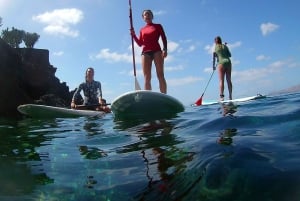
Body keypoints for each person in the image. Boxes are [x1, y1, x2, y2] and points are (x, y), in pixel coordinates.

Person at [130, 9, 168, 94]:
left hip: (157, 51)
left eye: (148, 14)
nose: (147, 16)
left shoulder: (158, 26)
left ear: (152, 16)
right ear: (143, 18)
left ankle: (164, 97)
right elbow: (140, 43)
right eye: (145, 15)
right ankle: (149, 98)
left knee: (160, 75)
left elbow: (164, 38)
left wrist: (165, 49)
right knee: (147, 77)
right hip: (145, 52)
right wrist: (133, 35)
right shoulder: (142, 29)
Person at [214, 36, 233, 101]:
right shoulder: (225, 46)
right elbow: (230, 55)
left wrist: (213, 66)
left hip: (221, 63)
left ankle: (221, 97)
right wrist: (225, 46)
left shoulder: (216, 47)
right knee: (228, 80)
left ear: (215, 42)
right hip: (228, 62)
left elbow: (215, 56)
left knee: (221, 80)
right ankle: (230, 96)